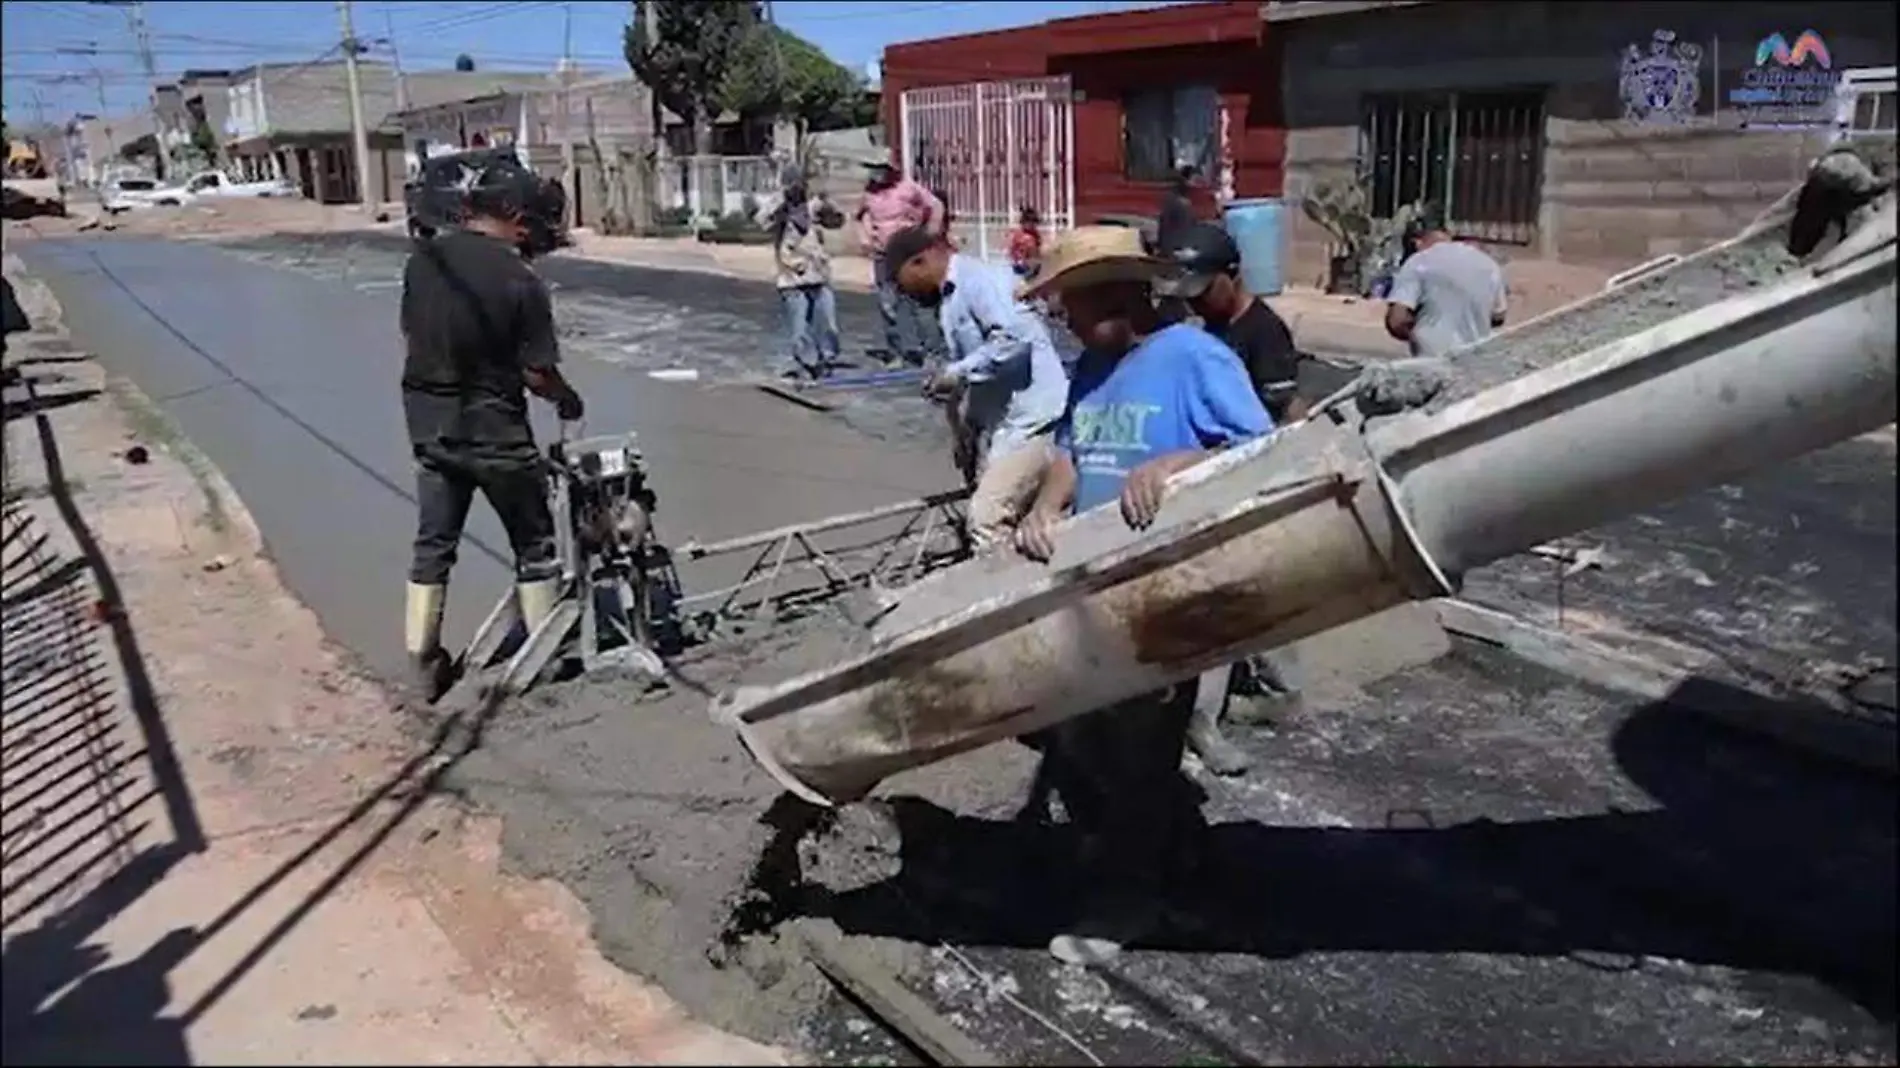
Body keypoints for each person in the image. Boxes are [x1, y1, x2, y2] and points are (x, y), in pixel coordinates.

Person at [1014, 226, 1274, 964]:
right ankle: (1175, 859)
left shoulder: (1193, 356)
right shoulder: (1095, 364)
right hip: (1088, 591)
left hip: (1163, 592)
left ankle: (1127, 902)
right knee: (1076, 741)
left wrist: (1181, 462)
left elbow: (1259, 447)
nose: (1063, 317)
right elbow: (1072, 447)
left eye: (1073, 302)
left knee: (1137, 752)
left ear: (1124, 293)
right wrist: (1047, 505)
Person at [397, 158, 586, 705]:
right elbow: (536, 373)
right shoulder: (520, 280)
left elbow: (409, 337)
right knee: (535, 544)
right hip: (495, 431)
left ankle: (423, 662)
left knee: (433, 545)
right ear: (506, 214)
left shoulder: (423, 262)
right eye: (525, 220)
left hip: (429, 428)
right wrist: (568, 399)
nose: (529, 232)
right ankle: (544, 665)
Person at [1153, 221, 1312, 773]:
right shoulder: (1202, 327)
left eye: (1203, 291)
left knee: (1229, 602)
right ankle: (1230, 704)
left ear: (1234, 275)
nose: (1196, 305)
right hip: (1200, 480)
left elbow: (1280, 417)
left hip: (1243, 480)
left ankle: (1215, 717)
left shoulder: (1264, 334)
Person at [885, 225, 1069, 551]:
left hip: (1036, 421)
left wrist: (957, 373)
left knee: (987, 517)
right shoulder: (949, 301)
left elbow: (1014, 341)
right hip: (1003, 426)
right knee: (1011, 512)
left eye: (904, 285)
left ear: (920, 261)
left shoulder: (979, 281)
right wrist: (960, 427)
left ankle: (1007, 593)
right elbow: (973, 368)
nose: (907, 295)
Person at [854, 154, 946, 367]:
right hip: (883, 254)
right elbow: (858, 217)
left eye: (880, 168)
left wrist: (930, 233)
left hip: (908, 254)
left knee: (919, 302)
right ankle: (896, 352)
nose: (875, 173)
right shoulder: (870, 194)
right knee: (888, 303)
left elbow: (935, 206)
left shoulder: (908, 188)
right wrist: (865, 238)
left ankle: (932, 353)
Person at [1383, 210, 1509, 358]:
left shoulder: (1418, 262)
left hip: (1433, 361)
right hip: (1475, 364)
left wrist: (1415, 334)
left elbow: (1396, 321)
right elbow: (1499, 316)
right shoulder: (1489, 264)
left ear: (1416, 242)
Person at [761, 165, 844, 380]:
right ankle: (808, 365)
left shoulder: (813, 206)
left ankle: (827, 361)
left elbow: (837, 220)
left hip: (819, 273)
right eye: (793, 185)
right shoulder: (779, 208)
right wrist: (782, 200)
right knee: (800, 329)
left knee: (827, 323)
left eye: (800, 184)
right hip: (792, 276)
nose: (797, 189)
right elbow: (761, 221)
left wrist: (828, 203)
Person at [1154, 165, 1199, 325]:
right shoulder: (1180, 203)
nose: (1196, 183)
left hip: (1173, 248)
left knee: (1176, 285)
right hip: (1176, 249)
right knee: (1176, 284)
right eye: (1193, 179)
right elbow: (1182, 228)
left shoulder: (1173, 200)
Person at [1007, 206, 1044, 280]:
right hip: (1020, 264)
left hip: (1031, 262)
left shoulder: (1035, 234)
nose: (1031, 224)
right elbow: (1011, 250)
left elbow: (1038, 249)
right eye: (1029, 221)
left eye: (1033, 222)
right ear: (1023, 222)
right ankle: (1028, 274)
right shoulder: (1019, 235)